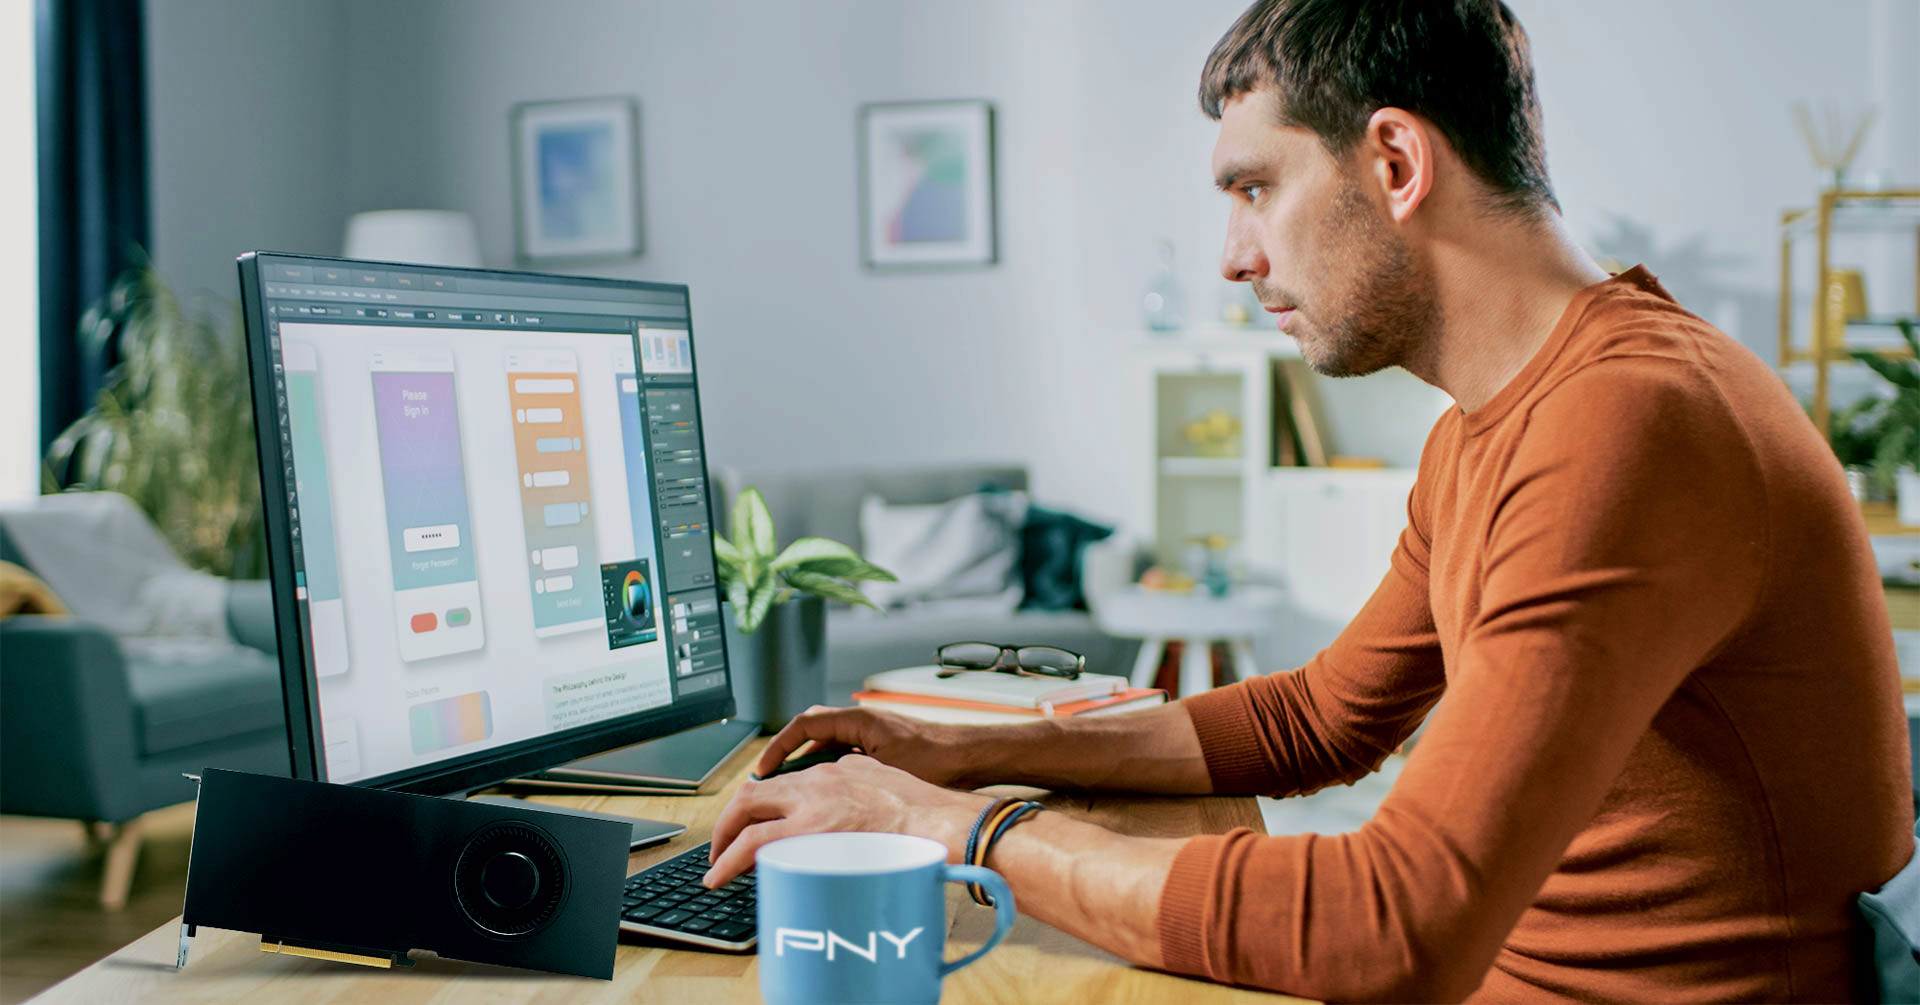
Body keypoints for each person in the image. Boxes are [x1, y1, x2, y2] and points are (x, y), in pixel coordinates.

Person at [703, 0, 1914, 998]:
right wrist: (956, 754)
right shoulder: (1491, 432)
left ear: (1394, 162)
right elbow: (1319, 721)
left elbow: (1395, 924)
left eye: (1254, 190)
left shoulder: (1630, 423)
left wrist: (946, 830)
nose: (1234, 256)